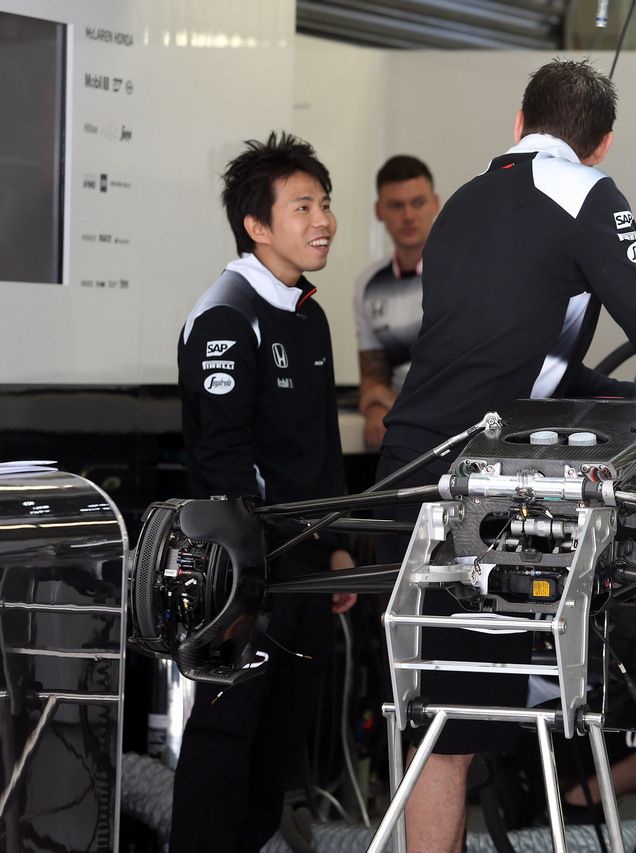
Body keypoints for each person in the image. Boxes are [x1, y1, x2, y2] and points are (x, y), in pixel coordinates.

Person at [376, 59, 636, 853]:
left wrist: (635, 402)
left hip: (409, 466)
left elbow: (516, 356)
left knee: (442, 724)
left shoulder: (462, 204)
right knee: (455, 727)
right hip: (469, 485)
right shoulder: (589, 192)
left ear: (519, 123)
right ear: (603, 141)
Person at [171, 131, 358, 853]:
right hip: (242, 570)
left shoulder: (306, 312)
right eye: (303, 205)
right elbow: (222, 459)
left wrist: (336, 546)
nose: (324, 221)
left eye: (326, 203)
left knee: (280, 738)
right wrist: (252, 570)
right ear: (257, 225)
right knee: (228, 730)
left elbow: (319, 446)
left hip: (306, 565)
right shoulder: (226, 312)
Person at [353, 155, 440, 450]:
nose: (408, 216)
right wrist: (374, 407)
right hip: (400, 427)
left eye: (417, 203)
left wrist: (388, 404)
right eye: (396, 205)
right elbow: (372, 378)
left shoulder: (461, 272)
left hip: (454, 423)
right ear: (379, 211)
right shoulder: (368, 284)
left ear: (435, 204)